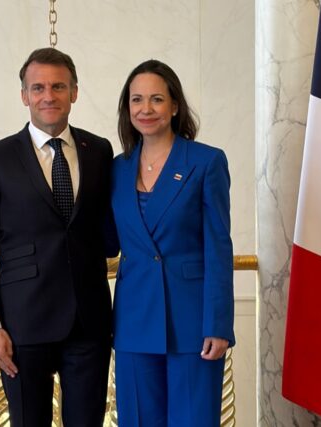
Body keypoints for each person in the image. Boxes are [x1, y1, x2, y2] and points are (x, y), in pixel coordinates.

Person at [0, 47, 115, 427]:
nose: (49, 96)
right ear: (24, 96)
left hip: (89, 323)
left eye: (58, 86)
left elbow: (109, 230)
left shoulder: (99, 151)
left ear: (74, 92)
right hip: (22, 326)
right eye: (38, 88)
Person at [110, 59, 235, 427]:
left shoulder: (206, 162)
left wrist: (218, 324)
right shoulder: (116, 168)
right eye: (136, 100)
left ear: (175, 106)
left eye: (156, 99)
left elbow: (218, 248)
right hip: (134, 319)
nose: (145, 109)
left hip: (192, 321)